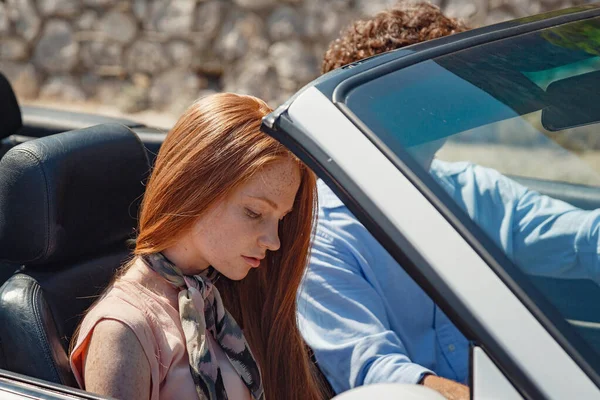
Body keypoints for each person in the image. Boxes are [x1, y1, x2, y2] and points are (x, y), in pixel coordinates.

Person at [298, 2, 600, 400]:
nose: (461, 103)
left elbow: (584, 240)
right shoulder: (323, 236)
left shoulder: (474, 191)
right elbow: (377, 375)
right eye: (447, 88)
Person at [69, 93, 325, 400]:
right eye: (254, 213)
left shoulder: (228, 294)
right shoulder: (123, 331)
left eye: (280, 219)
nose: (274, 241)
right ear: (194, 189)